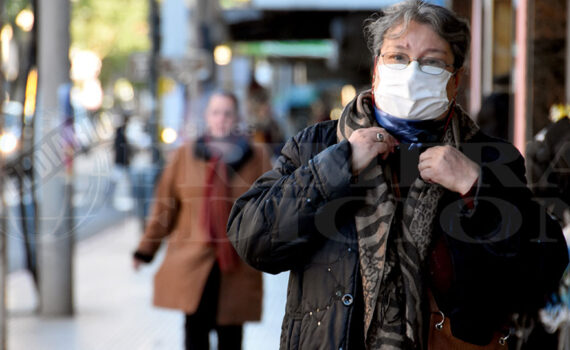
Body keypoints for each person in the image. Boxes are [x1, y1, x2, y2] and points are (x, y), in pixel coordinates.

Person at [227, 1, 569, 349]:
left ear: (456, 79)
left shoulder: (489, 158)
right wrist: (337, 165)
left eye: (433, 61)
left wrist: (476, 187)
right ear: (377, 68)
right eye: (398, 57)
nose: (412, 72)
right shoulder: (317, 146)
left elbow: (542, 271)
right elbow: (253, 239)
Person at [133, 91, 271, 350]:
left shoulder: (257, 158)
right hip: (194, 264)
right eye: (216, 112)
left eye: (227, 113)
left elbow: (271, 209)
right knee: (195, 334)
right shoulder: (185, 155)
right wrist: (145, 249)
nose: (221, 119)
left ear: (237, 117)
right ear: (207, 117)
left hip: (236, 265)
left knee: (231, 338)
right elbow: (165, 208)